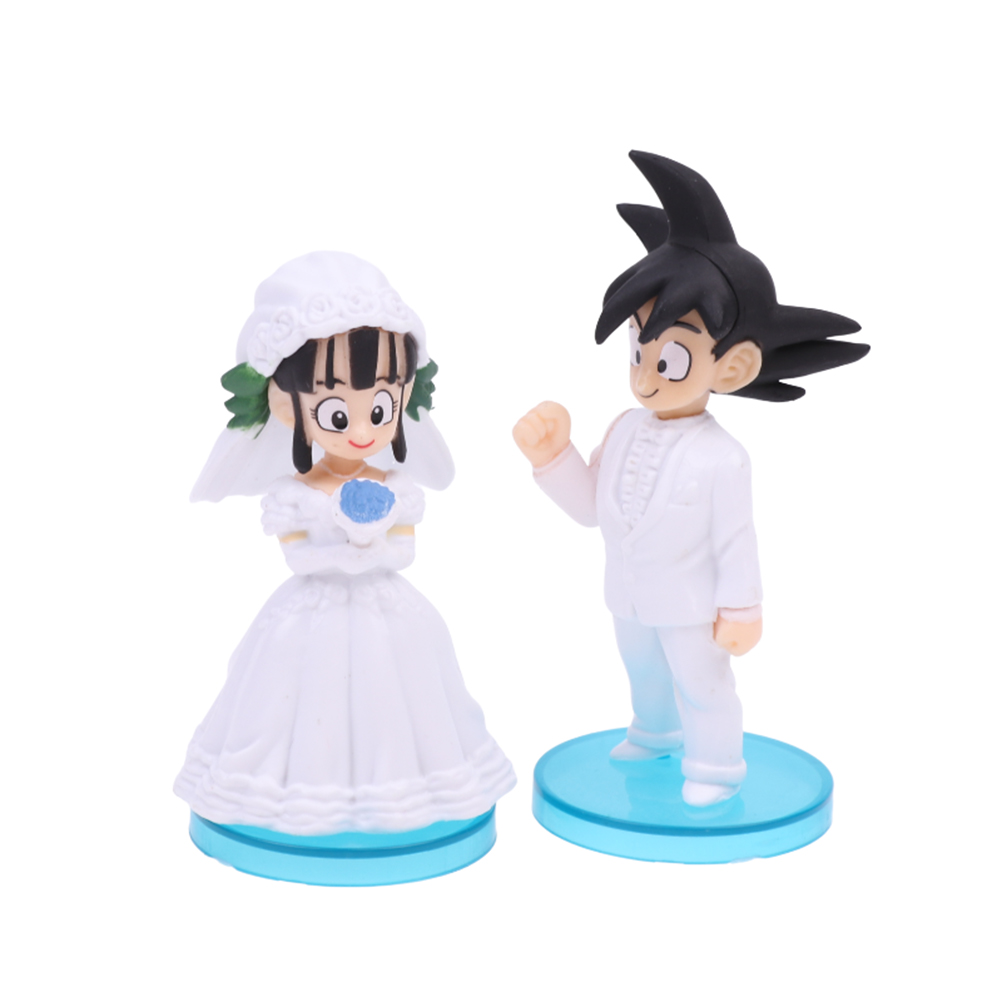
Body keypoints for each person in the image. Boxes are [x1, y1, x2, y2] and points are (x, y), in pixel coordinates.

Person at [513, 153, 868, 807]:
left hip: (692, 605)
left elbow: (737, 541)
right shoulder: (623, 427)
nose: (644, 375)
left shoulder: (723, 458)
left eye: (670, 357)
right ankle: (653, 732)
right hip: (627, 595)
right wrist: (553, 457)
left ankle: (716, 767)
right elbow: (593, 509)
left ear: (731, 368)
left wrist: (743, 609)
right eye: (637, 348)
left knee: (703, 685)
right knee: (643, 672)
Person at [175, 251, 515, 836]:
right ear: (286, 406)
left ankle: (397, 794)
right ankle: (306, 798)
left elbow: (405, 551)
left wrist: (372, 546)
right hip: (312, 612)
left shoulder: (397, 487)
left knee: (400, 697)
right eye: (336, 412)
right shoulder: (295, 495)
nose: (362, 431)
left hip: (390, 611)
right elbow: (299, 558)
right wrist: (349, 546)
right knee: (302, 701)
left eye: (380, 407)